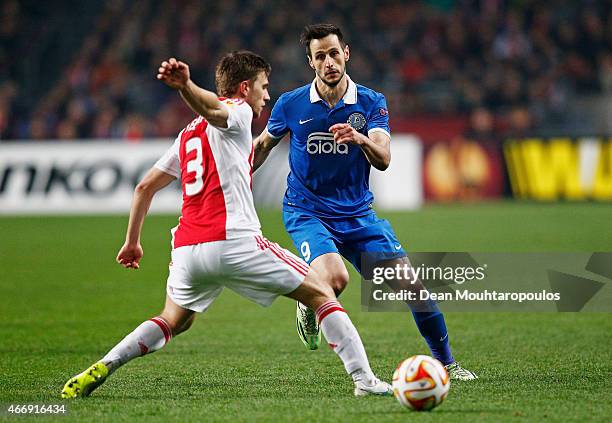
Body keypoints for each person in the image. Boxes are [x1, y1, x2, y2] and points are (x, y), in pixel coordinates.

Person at [60, 51, 392, 399]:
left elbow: (145, 187)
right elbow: (216, 110)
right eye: (264, 88)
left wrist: (132, 242)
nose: (267, 96)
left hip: (187, 250)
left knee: (174, 319)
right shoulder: (239, 111)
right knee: (323, 292)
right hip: (235, 241)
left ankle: (106, 364)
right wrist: (186, 85)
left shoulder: (187, 134)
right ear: (245, 88)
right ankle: (365, 381)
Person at [252, 24, 478, 380]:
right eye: (320, 56)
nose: (329, 62)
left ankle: (447, 363)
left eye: (334, 53)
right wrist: (232, 179)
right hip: (307, 211)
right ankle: (309, 298)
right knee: (335, 280)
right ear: (310, 62)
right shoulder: (290, 103)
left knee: (413, 289)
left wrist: (359, 139)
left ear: (347, 53)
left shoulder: (371, 102)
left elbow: (384, 158)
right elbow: (263, 145)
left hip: (358, 215)